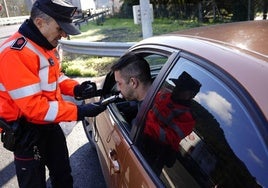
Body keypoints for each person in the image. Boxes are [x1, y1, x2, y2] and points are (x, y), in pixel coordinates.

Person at [0, 0, 106, 187]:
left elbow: (55, 78)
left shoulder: (44, 44)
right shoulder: (15, 53)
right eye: (60, 29)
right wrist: (79, 112)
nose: (64, 34)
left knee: (63, 177)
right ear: (40, 22)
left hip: (49, 126)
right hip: (26, 134)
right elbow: (34, 108)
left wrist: (76, 88)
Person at [142, 71, 202, 175]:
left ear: (192, 95)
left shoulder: (188, 117)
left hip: (156, 152)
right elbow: (147, 102)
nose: (176, 89)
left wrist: (145, 122)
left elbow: (168, 137)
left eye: (181, 89)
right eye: (177, 85)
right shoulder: (165, 94)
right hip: (142, 136)